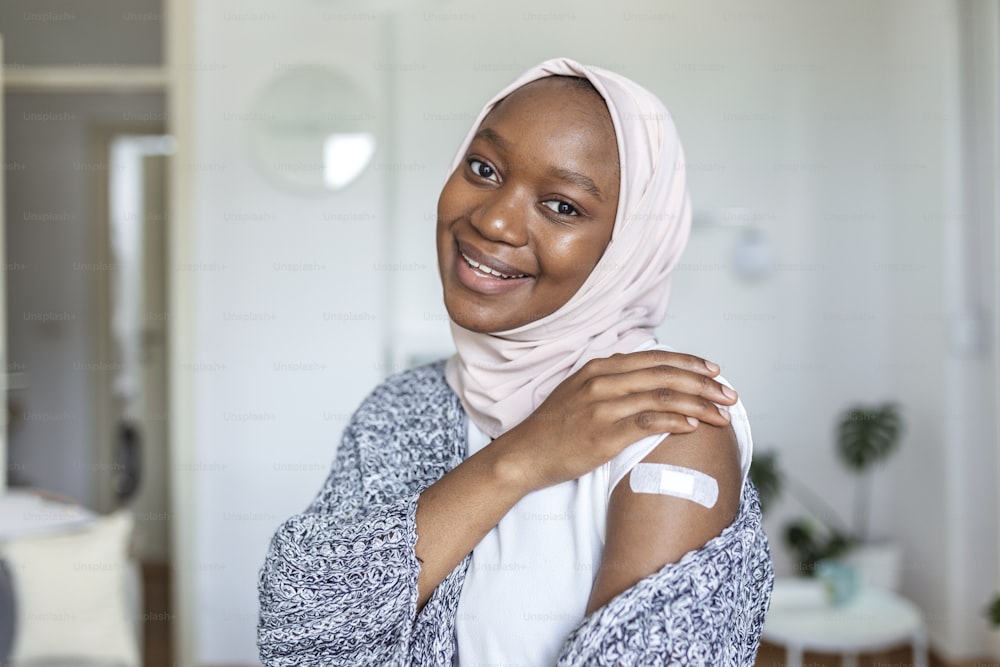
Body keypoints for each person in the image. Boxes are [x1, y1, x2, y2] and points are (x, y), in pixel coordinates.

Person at [258, 57, 773, 666]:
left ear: (629, 244)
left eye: (562, 207)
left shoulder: (666, 417)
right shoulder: (401, 408)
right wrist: (521, 459)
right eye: (483, 168)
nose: (493, 220)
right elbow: (300, 635)